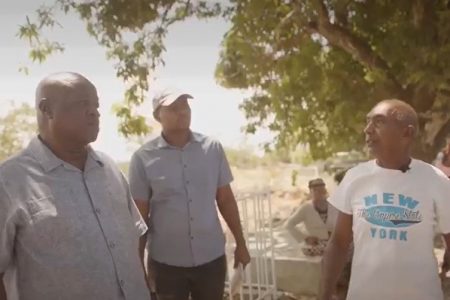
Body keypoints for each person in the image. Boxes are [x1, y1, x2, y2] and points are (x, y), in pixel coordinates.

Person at [0, 72, 151, 300]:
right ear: (47, 109)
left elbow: (133, 244)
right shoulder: (10, 181)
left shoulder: (109, 169)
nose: (95, 112)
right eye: (82, 104)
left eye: (96, 105)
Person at [319, 99, 450, 300]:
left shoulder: (436, 181)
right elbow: (338, 242)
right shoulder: (355, 178)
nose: (367, 129)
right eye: (368, 122)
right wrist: (324, 295)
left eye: (378, 122)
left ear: (407, 133)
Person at [129, 89, 251, 300]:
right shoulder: (143, 158)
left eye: (185, 106)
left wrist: (241, 243)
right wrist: (137, 263)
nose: (182, 112)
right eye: (174, 108)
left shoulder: (211, 149)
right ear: (158, 115)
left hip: (211, 259)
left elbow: (225, 200)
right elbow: (139, 217)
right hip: (167, 264)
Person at [284, 178, 337, 256]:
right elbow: (288, 225)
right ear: (310, 192)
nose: (318, 193)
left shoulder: (334, 206)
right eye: (315, 190)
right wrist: (305, 238)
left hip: (333, 243)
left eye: (321, 190)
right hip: (315, 246)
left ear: (325, 191)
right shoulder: (306, 208)